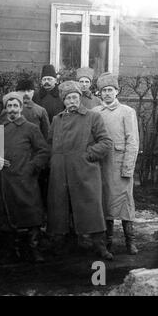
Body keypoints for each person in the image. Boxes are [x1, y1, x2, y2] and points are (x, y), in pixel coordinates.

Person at [47, 81, 113, 260]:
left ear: (80, 98)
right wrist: (54, 161)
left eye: (75, 97)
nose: (72, 101)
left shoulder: (92, 117)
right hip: (60, 172)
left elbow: (106, 142)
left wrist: (87, 155)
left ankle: (100, 246)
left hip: (84, 171)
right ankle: (64, 246)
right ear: (63, 101)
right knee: (62, 209)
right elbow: (49, 142)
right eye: (68, 98)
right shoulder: (56, 119)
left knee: (91, 207)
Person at [0, 92, 49, 263]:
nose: (12, 109)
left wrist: (32, 166)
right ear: (5, 108)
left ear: (21, 108)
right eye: (9, 106)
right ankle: (10, 250)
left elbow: (44, 151)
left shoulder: (31, 128)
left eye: (15, 106)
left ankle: (33, 248)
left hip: (26, 178)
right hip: (5, 179)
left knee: (31, 213)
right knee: (7, 215)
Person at [93, 72, 140, 255]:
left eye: (110, 90)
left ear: (117, 91)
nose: (107, 93)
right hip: (102, 166)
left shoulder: (127, 112)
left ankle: (130, 241)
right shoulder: (95, 113)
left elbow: (133, 141)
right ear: (100, 93)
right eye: (103, 90)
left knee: (125, 203)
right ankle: (108, 242)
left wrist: (128, 168)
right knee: (105, 203)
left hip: (120, 166)